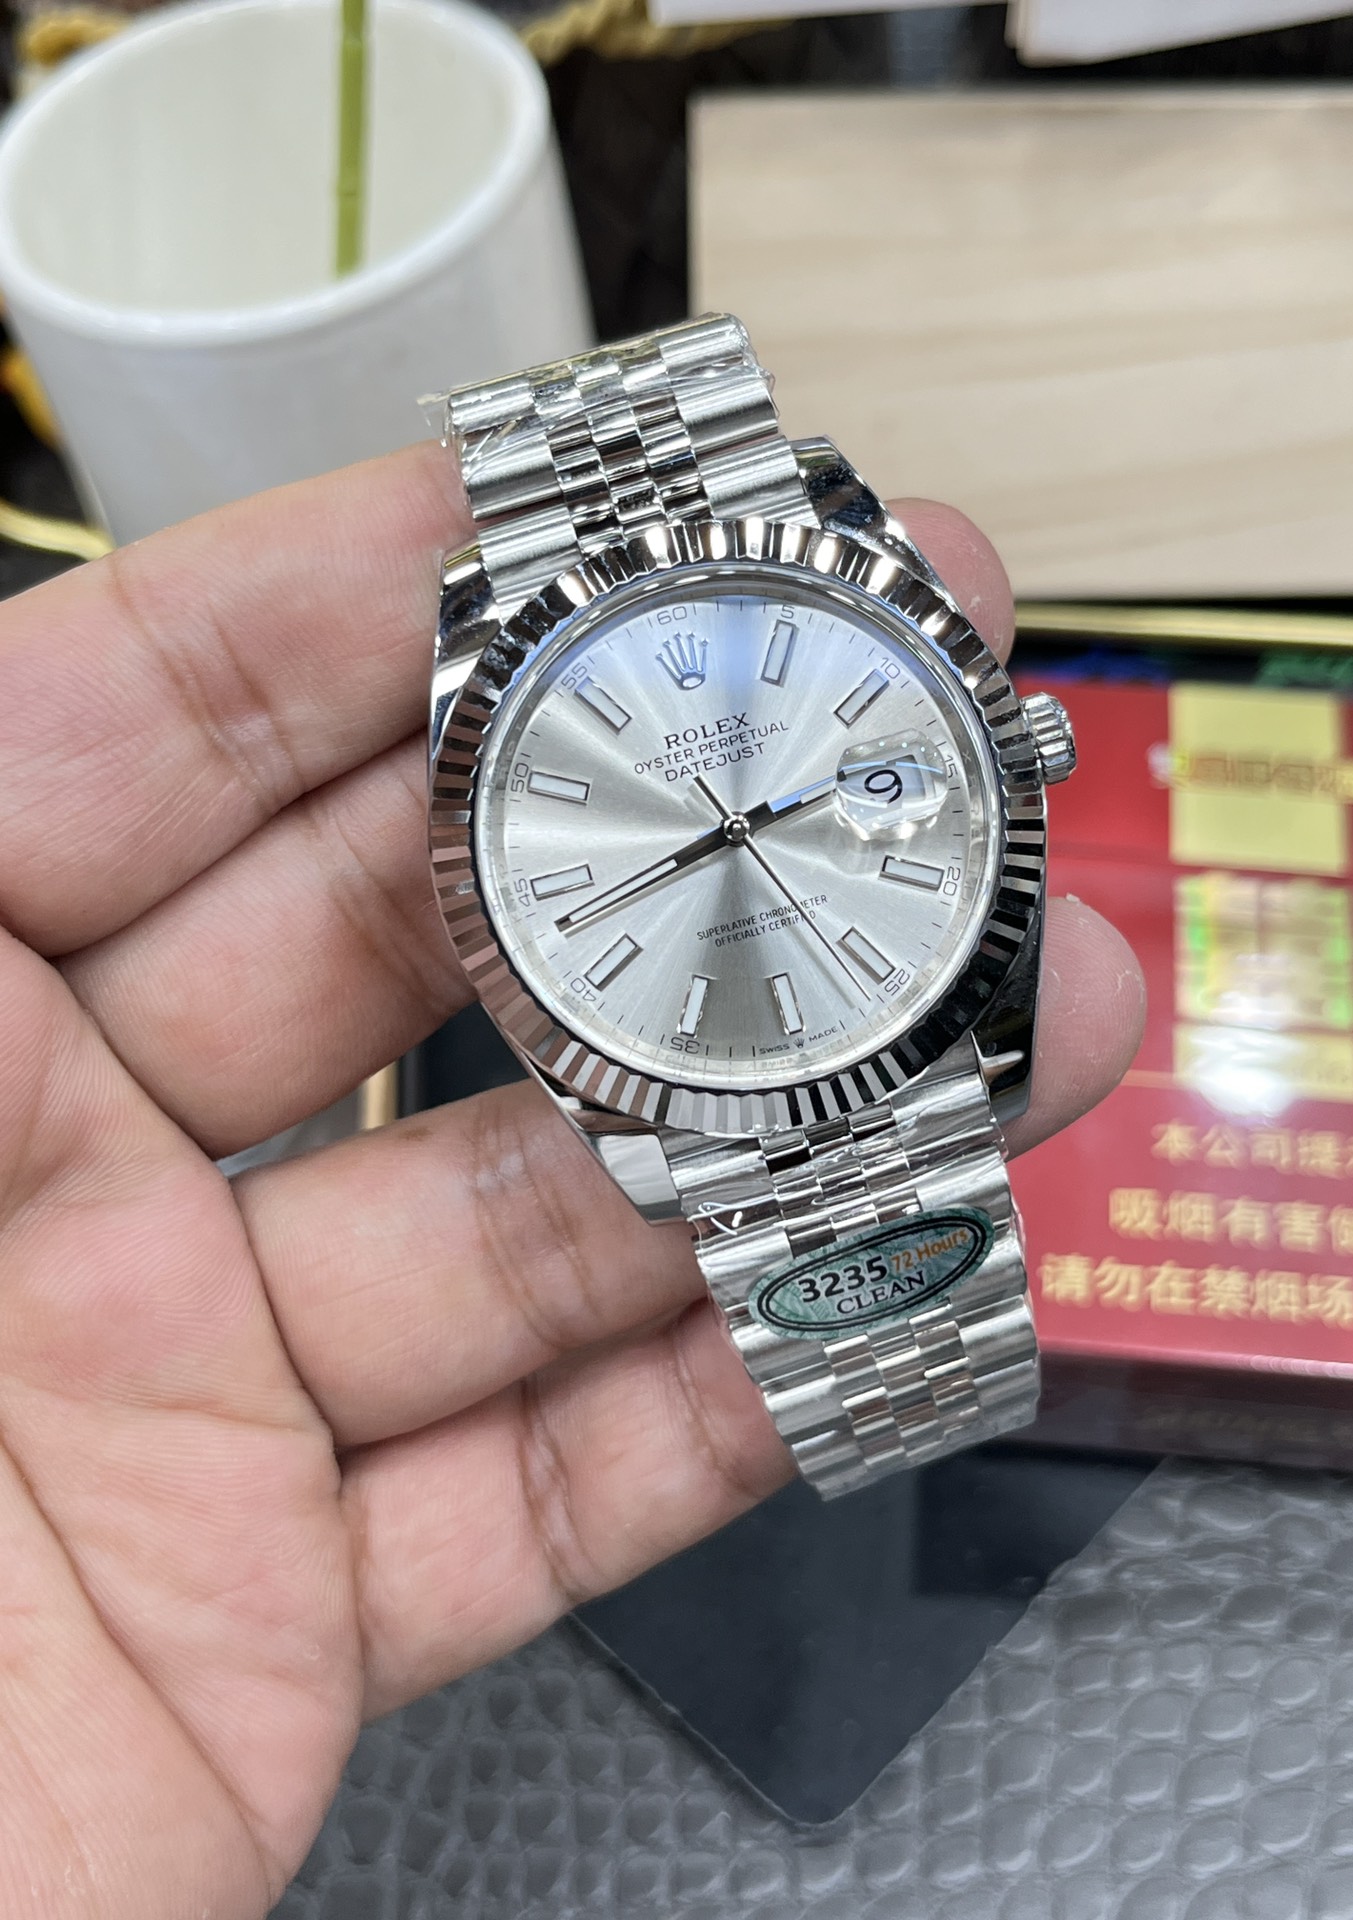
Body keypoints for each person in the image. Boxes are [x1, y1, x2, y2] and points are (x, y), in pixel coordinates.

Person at [0, 439, 1144, 1917]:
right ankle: (917, 1410)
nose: (730, 829)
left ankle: (928, 1404)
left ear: (1012, 741)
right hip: (703, 1059)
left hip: (884, 1010)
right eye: (706, 828)